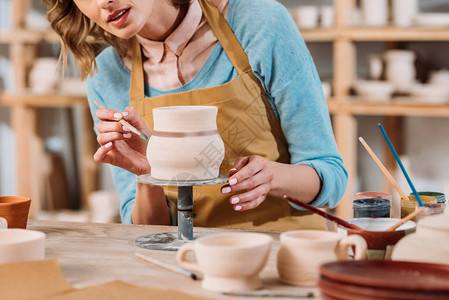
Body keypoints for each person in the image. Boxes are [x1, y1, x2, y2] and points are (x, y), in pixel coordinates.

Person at [44, 0, 347, 230]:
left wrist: (273, 177)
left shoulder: (260, 23)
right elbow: (143, 229)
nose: (103, 2)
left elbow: (331, 176)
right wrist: (147, 174)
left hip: (283, 257)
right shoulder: (106, 76)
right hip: (186, 266)